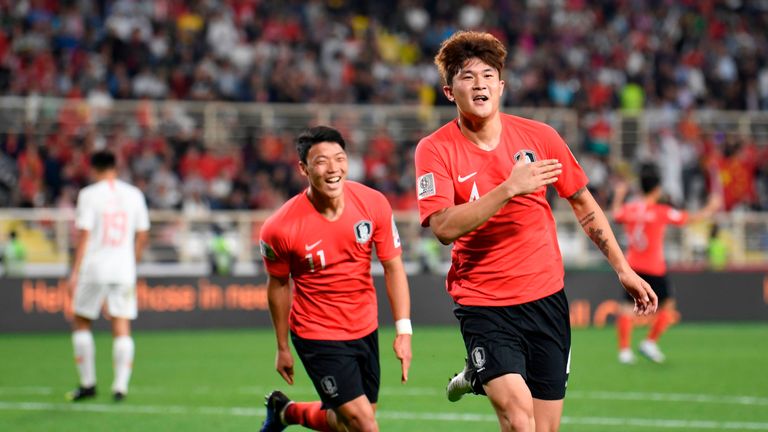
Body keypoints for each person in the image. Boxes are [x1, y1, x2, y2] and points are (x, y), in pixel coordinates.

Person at [413, 31, 657, 432]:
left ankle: (478, 374)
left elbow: (583, 203)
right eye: (467, 76)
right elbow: (442, 226)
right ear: (448, 90)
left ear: (501, 85)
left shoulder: (540, 137)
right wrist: (509, 188)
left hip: (545, 301)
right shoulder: (435, 149)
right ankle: (485, 368)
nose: (479, 84)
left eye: (488, 75)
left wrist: (622, 268)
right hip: (484, 304)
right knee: (519, 421)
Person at [259, 126, 412, 432]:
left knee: (344, 423)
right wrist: (282, 346)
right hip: (317, 333)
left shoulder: (373, 204)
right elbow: (278, 284)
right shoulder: (279, 228)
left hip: (364, 327)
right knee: (365, 424)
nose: (333, 169)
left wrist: (403, 330)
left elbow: (393, 266)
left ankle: (285, 412)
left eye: (339, 158)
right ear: (303, 169)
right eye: (321, 161)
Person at [611, 163, 720, 364]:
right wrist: (711, 208)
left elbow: (615, 214)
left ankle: (624, 351)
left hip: (632, 266)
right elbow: (690, 218)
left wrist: (619, 194)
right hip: (654, 267)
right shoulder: (662, 211)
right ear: (657, 189)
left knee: (626, 307)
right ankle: (649, 342)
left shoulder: (631, 208)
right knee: (668, 305)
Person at [67, 150, 150, 402]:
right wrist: (131, 262)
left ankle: (88, 383)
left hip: (94, 267)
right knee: (122, 325)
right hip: (123, 268)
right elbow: (143, 233)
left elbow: (84, 234)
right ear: (116, 167)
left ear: (93, 169)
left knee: (82, 321)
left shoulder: (89, 195)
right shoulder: (134, 194)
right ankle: (120, 386)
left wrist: (74, 271)